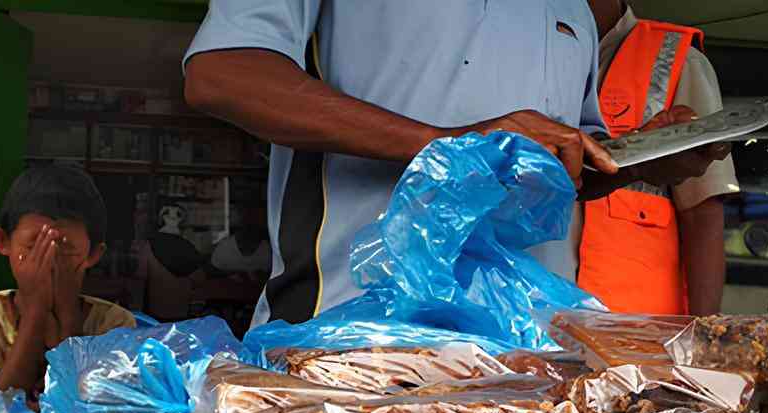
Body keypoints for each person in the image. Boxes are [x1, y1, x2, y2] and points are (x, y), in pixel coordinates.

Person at [183, 1, 728, 329]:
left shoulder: (572, 9)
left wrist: (634, 158)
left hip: (529, 358)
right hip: (356, 339)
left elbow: (560, 163)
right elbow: (224, 73)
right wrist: (448, 144)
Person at [579, 0, 739, 316]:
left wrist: (702, 333)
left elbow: (703, 210)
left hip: (633, 330)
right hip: (523, 319)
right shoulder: (521, 55)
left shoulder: (676, 61)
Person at [0, 166, 135, 394]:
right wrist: (37, 310)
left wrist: (67, 315)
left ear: (92, 254)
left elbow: (90, 404)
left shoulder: (113, 323)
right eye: (34, 247)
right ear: (3, 241)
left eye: (65, 250)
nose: (50, 262)